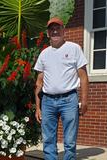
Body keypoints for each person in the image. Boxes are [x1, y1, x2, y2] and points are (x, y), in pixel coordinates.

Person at [34, 17, 89, 160]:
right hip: (47, 101)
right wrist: (38, 107)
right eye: (51, 29)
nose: (55, 31)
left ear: (63, 30)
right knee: (48, 141)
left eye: (58, 28)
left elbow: (83, 77)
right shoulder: (44, 54)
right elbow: (39, 82)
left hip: (69, 100)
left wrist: (84, 100)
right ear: (48, 33)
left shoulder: (74, 48)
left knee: (70, 142)